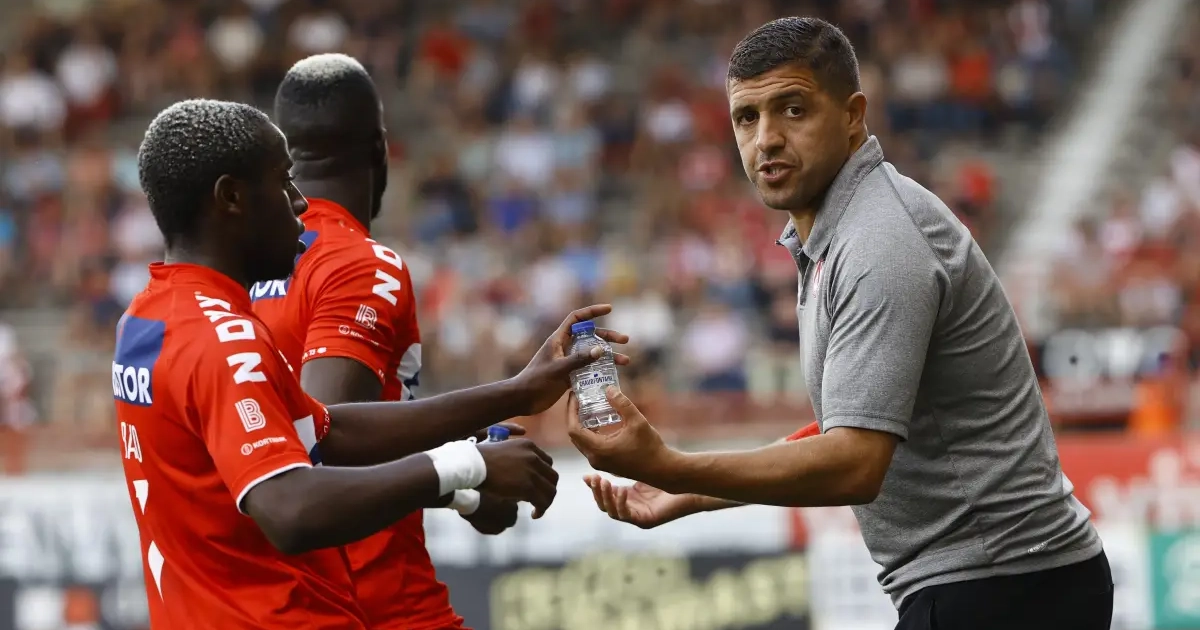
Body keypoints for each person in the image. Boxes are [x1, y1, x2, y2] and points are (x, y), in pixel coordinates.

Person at [568, 17, 1113, 630]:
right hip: (1004, 581)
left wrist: (668, 465)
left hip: (1006, 585)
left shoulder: (880, 240)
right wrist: (687, 491)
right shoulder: (839, 232)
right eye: (746, 118)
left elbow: (855, 462)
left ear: (853, 116)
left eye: (792, 109)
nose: (766, 139)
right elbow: (848, 425)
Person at [116, 98, 620, 629]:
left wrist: (515, 396)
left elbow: (327, 430)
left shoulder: (147, 317)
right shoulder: (224, 335)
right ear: (232, 197)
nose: (301, 204)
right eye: (283, 183)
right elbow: (289, 508)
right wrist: (465, 467)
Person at [254, 53, 631, 629]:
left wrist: (466, 486)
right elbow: (326, 438)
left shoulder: (240, 265)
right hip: (374, 601)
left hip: (276, 598)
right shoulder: (358, 263)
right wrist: (476, 456)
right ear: (379, 147)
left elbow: (284, 444)